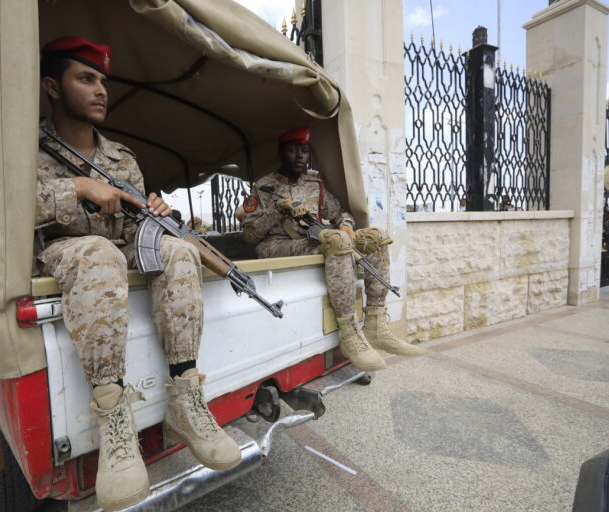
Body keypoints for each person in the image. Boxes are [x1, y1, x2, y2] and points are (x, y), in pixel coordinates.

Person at [35, 36, 240, 510]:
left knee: (175, 251)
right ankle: (113, 417)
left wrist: (155, 211)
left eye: (103, 81)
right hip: (67, 253)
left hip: (121, 249)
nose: (101, 90)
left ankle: (185, 397)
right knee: (97, 252)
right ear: (52, 86)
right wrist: (77, 187)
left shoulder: (122, 159)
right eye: (86, 79)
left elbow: (137, 229)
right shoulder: (26, 149)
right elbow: (3, 208)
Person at [241, 127, 424, 372]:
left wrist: (347, 226)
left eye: (304, 151)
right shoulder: (263, 187)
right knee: (336, 241)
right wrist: (277, 211)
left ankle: (376, 323)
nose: (300, 157)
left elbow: (339, 213)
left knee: (376, 237)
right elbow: (250, 235)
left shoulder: (314, 184)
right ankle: (349, 333)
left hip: (312, 238)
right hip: (275, 245)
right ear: (281, 152)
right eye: (293, 150)